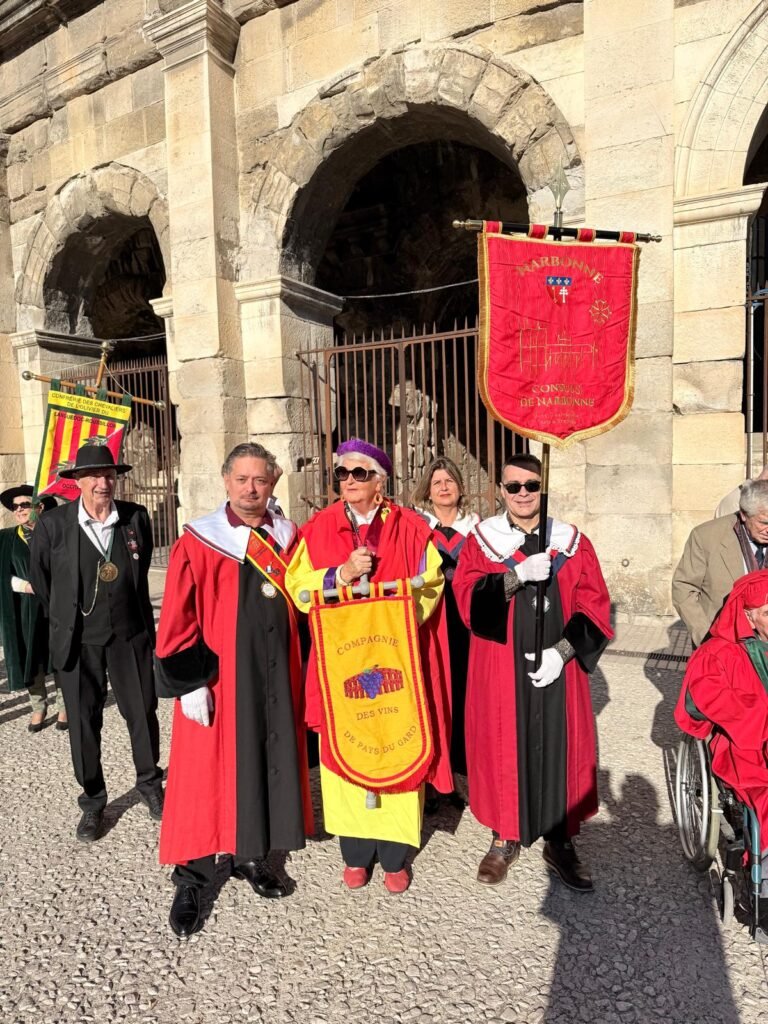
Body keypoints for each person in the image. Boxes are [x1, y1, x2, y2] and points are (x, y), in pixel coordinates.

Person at [154, 442, 313, 938]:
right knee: (205, 775)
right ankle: (194, 877)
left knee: (267, 761)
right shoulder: (200, 540)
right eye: (242, 479)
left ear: (272, 484)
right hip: (219, 678)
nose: (251, 489)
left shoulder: (290, 538)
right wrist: (188, 682)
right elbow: (178, 613)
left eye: (260, 481)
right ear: (226, 481)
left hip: (275, 675)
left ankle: (251, 855)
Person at [286, 437, 452, 893]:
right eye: (342, 473)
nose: (349, 481)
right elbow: (296, 585)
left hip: (395, 657)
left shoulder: (412, 528)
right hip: (340, 663)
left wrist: (390, 617)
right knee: (346, 746)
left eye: (360, 473)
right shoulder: (318, 528)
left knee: (396, 742)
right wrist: (339, 575)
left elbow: (431, 583)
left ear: (381, 481)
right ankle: (356, 853)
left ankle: (395, 855)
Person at [452, 453, 612, 891]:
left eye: (531, 485)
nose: (523, 493)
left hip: (557, 671)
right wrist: (515, 575)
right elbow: (465, 599)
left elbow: (594, 606)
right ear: (500, 491)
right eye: (513, 486)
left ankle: (560, 840)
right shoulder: (484, 541)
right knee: (504, 742)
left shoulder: (571, 541)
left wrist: (562, 652)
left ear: (543, 488)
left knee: (561, 745)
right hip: (499, 665)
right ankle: (505, 835)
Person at [29, 444, 163, 842]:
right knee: (84, 723)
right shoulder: (53, 524)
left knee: (142, 713)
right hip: (77, 640)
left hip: (129, 635)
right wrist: (67, 616)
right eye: (93, 476)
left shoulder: (135, 518)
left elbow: (140, 573)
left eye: (108, 475)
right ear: (78, 482)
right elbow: (42, 581)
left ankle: (150, 785)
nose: (102, 483)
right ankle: (93, 800)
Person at [675, 571, 768, 931]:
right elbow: (702, 702)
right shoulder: (720, 653)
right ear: (747, 616)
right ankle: (759, 890)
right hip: (743, 748)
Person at [412, 457, 478, 792]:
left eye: (449, 480)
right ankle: (433, 775)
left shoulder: (478, 530)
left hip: (466, 626)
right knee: (431, 693)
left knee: (465, 694)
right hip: (430, 622)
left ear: (460, 487)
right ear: (428, 489)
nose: (443, 487)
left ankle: (463, 773)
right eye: (437, 482)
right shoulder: (416, 529)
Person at [672, 479, 768, 647]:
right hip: (722, 643)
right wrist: (706, 637)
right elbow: (683, 588)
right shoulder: (706, 537)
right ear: (744, 515)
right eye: (764, 523)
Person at [0, 485, 63, 731]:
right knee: (29, 656)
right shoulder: (5, 539)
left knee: (60, 652)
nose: (19, 510)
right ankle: (38, 705)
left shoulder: (56, 534)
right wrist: (24, 586)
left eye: (24, 504)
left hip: (56, 605)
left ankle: (65, 704)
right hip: (23, 608)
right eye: (15, 507)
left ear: (40, 507)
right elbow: (1, 577)